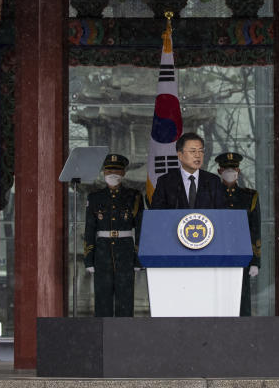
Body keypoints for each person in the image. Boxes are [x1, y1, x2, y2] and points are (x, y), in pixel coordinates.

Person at [83, 153, 143, 317]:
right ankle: (103, 336)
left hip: (125, 251)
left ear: (124, 173)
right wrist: (89, 258)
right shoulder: (95, 198)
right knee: (102, 299)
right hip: (102, 252)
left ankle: (124, 336)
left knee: (125, 298)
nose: (113, 174)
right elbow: (89, 229)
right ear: (103, 172)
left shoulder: (133, 196)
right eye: (109, 171)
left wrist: (138, 258)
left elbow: (140, 228)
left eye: (117, 171)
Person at [216, 151, 261, 317]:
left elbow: (255, 229)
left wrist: (255, 260)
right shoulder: (211, 195)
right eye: (226, 169)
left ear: (239, 171)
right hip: (217, 253)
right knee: (218, 297)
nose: (230, 172)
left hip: (241, 253)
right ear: (220, 171)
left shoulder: (249, 196)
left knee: (242, 299)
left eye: (233, 169)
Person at [149, 132, 225, 209]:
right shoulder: (165, 182)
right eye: (193, 151)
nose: (198, 155)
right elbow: (156, 215)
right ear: (180, 155)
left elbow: (221, 214)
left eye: (201, 151)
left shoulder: (213, 181)